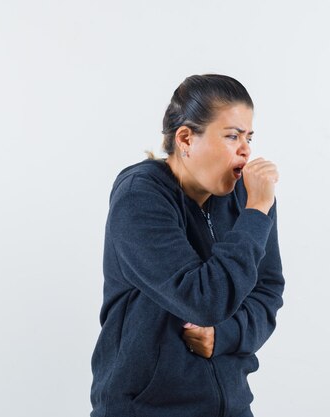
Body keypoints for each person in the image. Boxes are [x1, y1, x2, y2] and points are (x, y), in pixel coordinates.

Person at [90, 74, 285, 417]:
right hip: (146, 409)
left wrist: (223, 335)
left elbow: (267, 289)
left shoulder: (249, 196)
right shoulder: (140, 197)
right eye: (231, 136)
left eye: (249, 137)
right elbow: (203, 300)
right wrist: (256, 212)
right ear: (185, 139)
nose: (246, 149)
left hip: (232, 407)